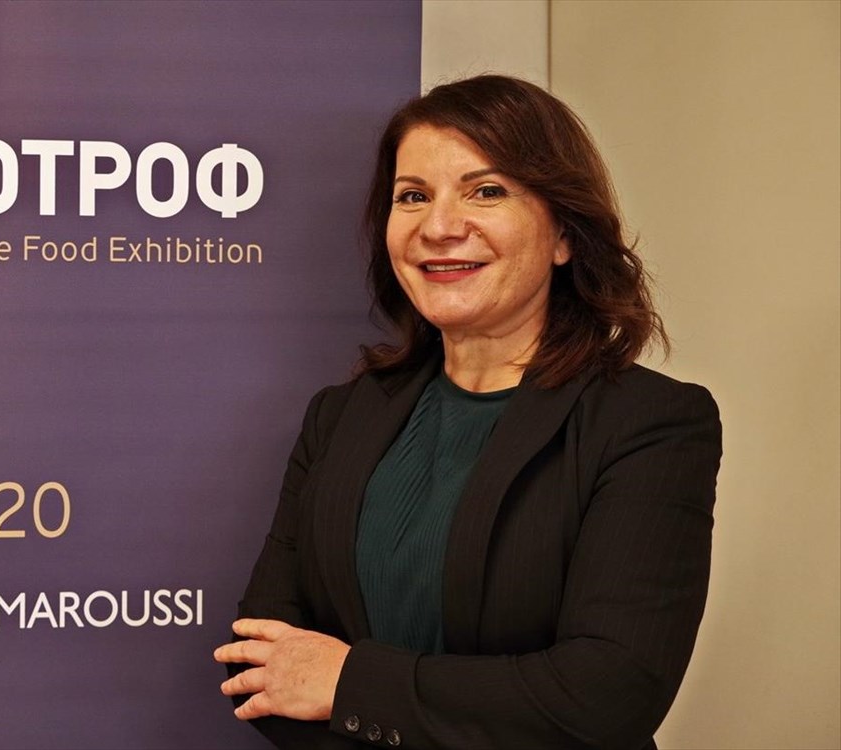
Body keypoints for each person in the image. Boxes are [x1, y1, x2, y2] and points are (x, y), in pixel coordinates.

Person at [213, 75, 722, 750]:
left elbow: (607, 693)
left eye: (486, 191)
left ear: (564, 233)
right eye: (413, 196)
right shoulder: (339, 417)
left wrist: (351, 683)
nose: (439, 227)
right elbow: (262, 663)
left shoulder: (650, 424)